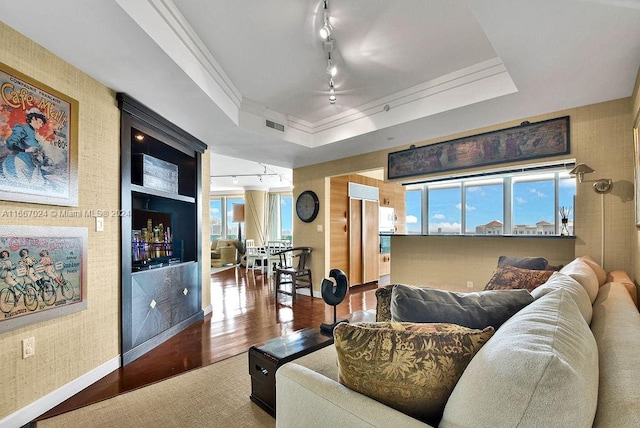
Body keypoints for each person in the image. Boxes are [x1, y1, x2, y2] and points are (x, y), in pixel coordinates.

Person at [1, 107, 48, 186]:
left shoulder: (33, 133)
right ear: (33, 119)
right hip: (21, 163)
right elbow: (10, 143)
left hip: (31, 166)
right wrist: (25, 150)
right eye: (40, 122)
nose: (41, 125)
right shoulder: (22, 129)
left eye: (42, 123)